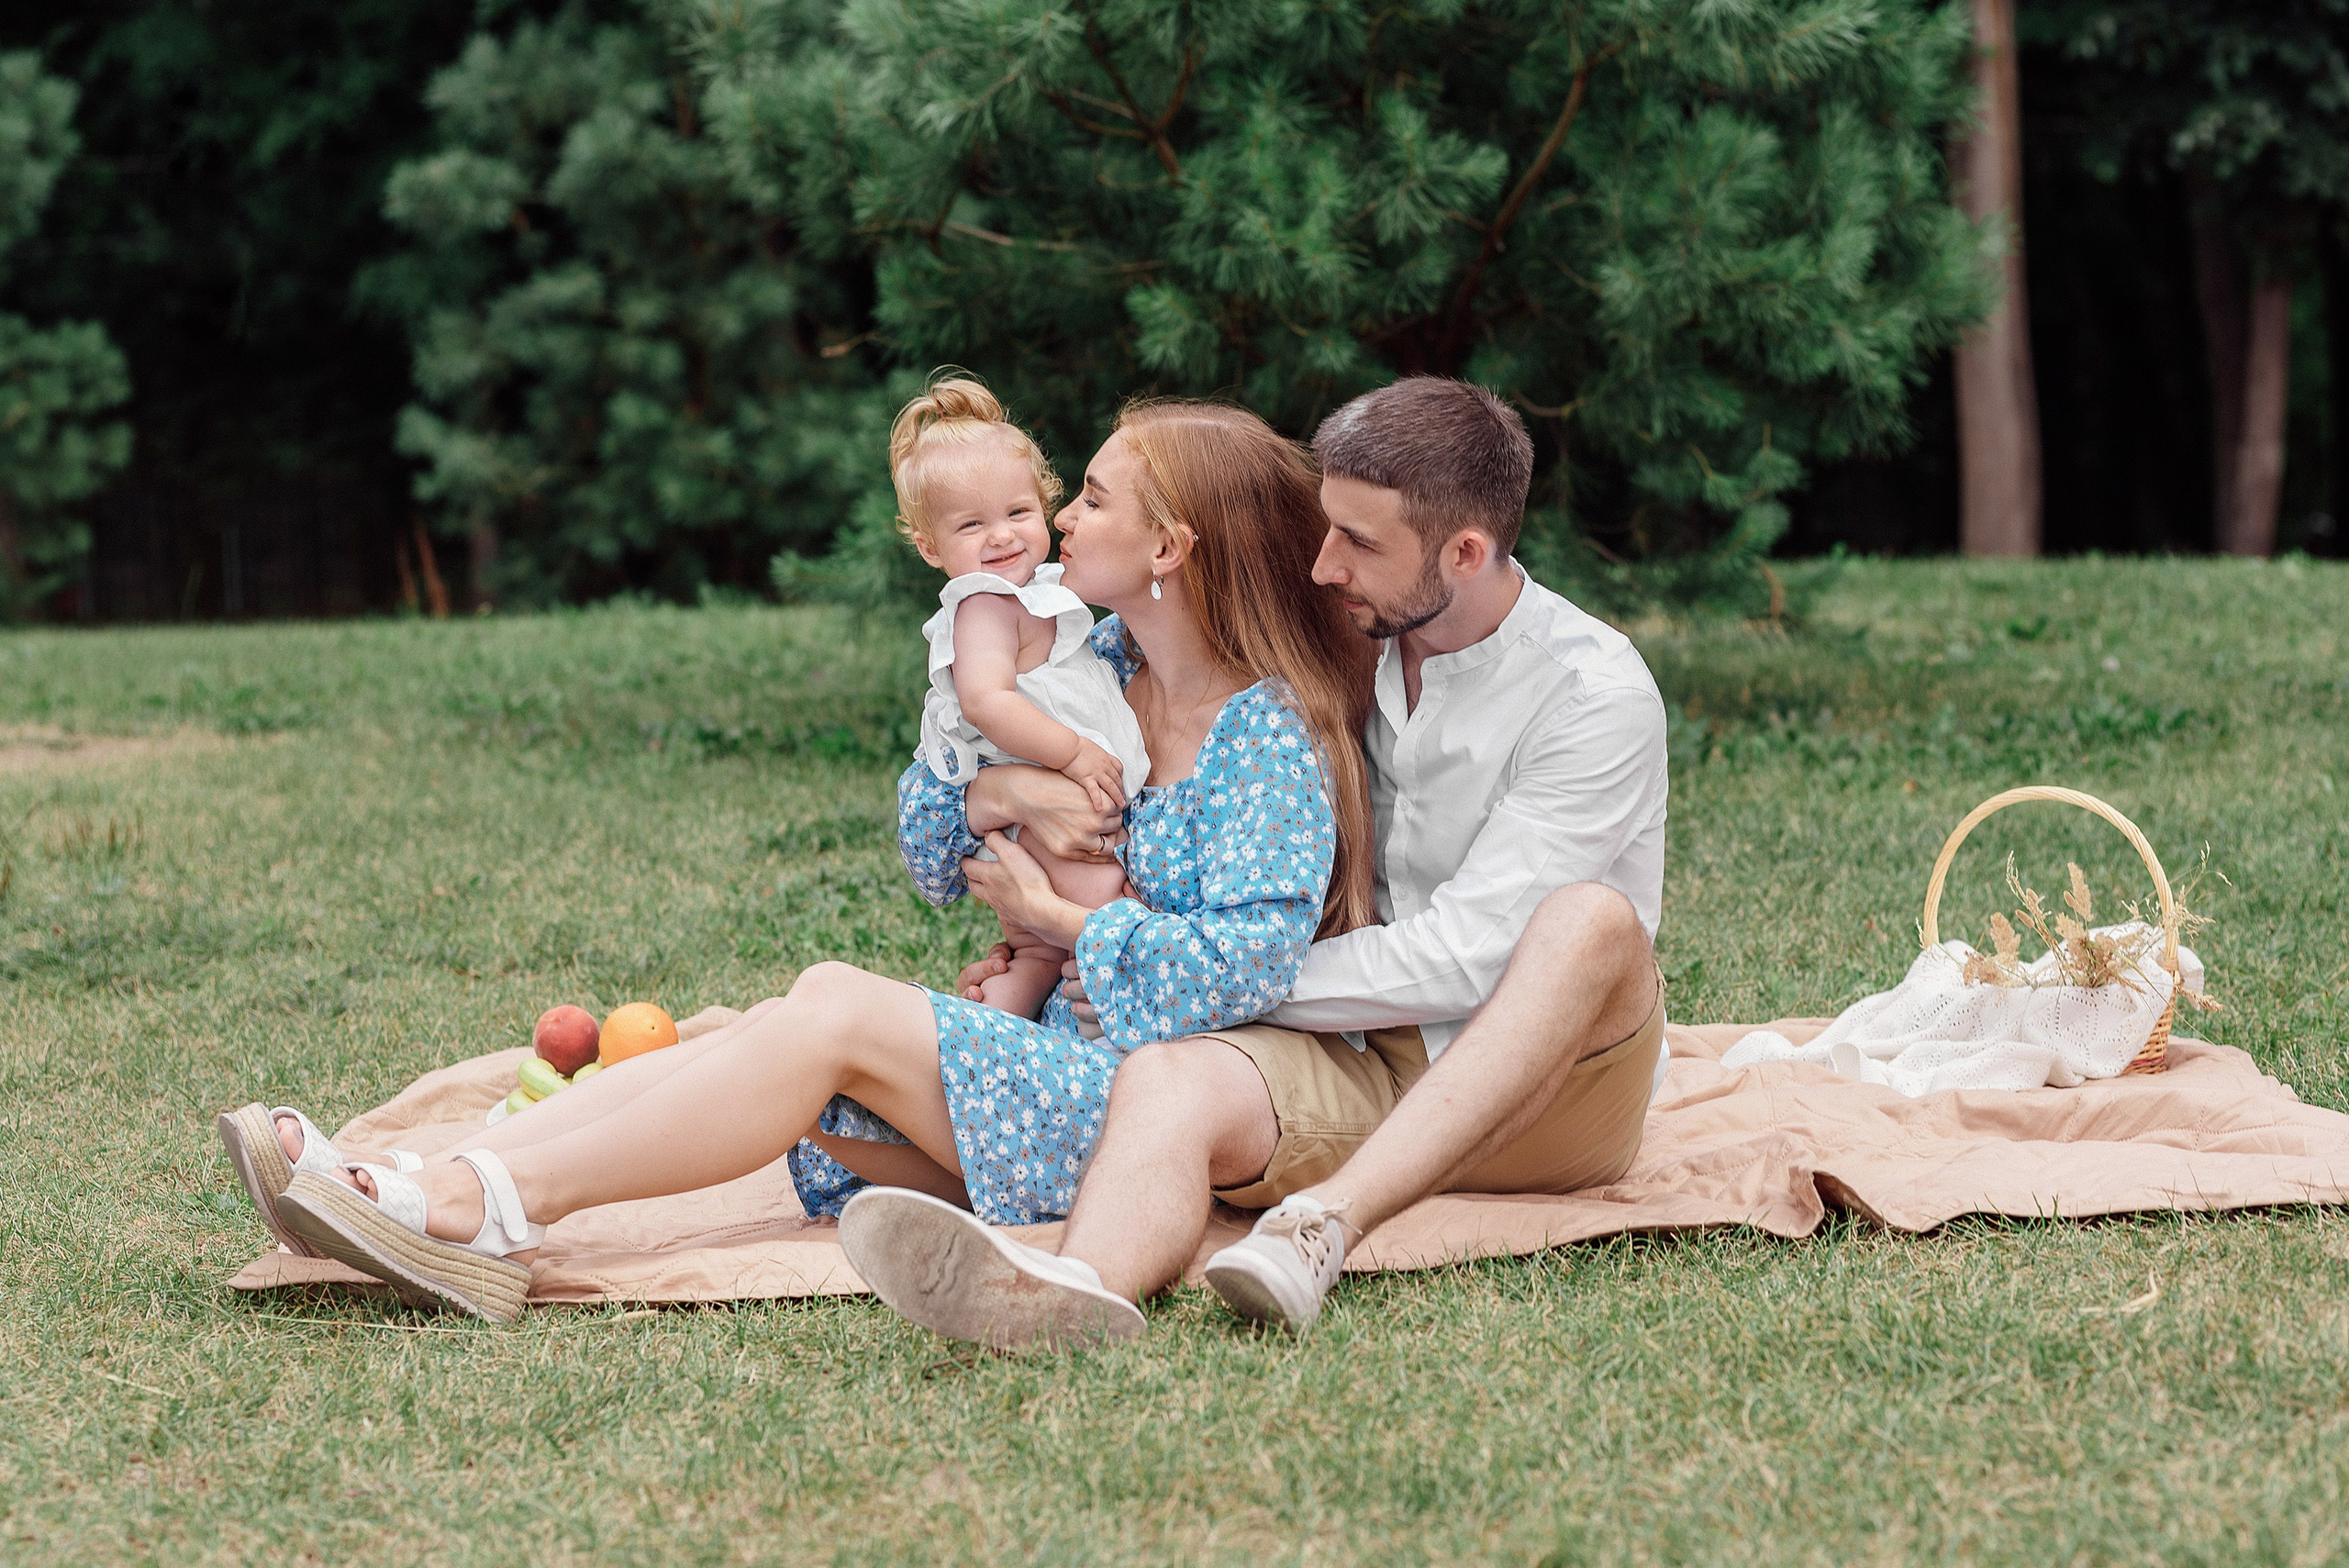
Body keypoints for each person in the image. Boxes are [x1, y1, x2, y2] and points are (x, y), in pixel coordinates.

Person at [217, 399, 1376, 1332]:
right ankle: (431, 1177)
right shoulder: (1084, 659)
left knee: (828, 1007)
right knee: (786, 1016)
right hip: (1041, 1063)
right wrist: (998, 791)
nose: (1063, 514)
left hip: (1132, 1110)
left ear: (1170, 547)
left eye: (1093, 496)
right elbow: (930, 844)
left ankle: (477, 1211)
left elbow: (1250, 968)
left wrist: (1059, 923)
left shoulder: (1266, 737)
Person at [843, 376, 1670, 1344]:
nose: (1323, 566)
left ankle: (1321, 1225)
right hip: (1355, 1052)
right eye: (1327, 528)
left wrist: (1164, 957)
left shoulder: (1590, 692)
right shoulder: (1349, 636)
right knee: (1165, 1074)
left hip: (1547, 1080)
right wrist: (1052, 869)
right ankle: (1063, 1291)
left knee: (1586, 921)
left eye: (1358, 543)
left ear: (1466, 553)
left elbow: (1469, 960)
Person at [894, 376, 1150, 1021]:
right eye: (971, 524)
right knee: (1103, 887)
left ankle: (996, 1025)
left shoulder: (1036, 592)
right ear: (929, 547)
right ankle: (1111, 988)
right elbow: (987, 702)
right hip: (1034, 823)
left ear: (1044, 505)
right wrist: (1075, 754)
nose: (1001, 536)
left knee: (1032, 955)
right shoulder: (982, 604)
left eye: (1017, 513)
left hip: (1027, 827)